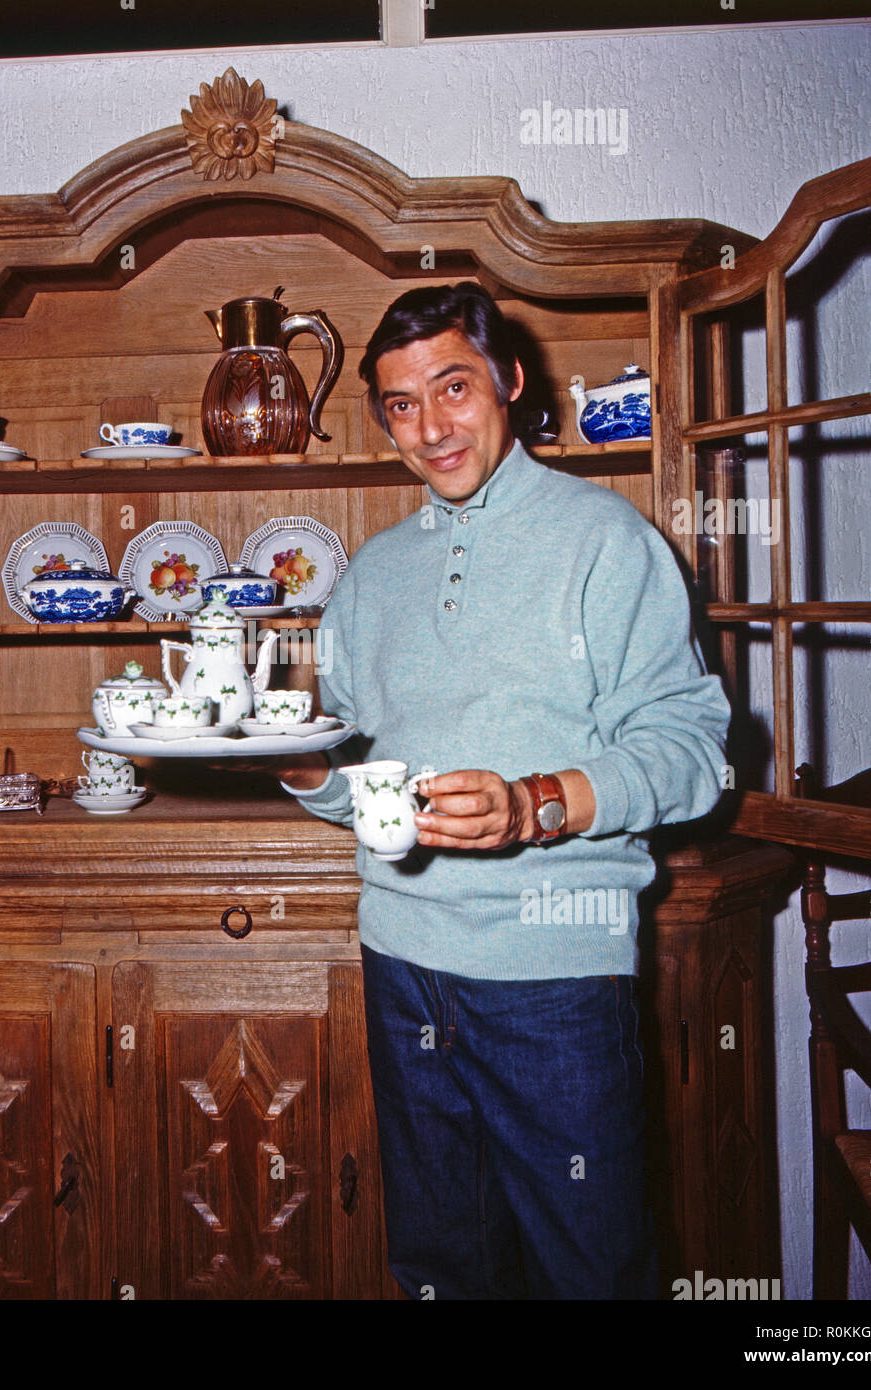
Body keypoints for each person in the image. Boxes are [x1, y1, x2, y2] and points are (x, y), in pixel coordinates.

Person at [265, 281, 730, 1299]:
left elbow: (695, 750)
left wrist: (535, 803)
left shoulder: (606, 541)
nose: (428, 427)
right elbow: (360, 783)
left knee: (591, 1270)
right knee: (443, 1268)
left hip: (555, 975)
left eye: (453, 387)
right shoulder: (370, 575)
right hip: (402, 965)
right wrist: (304, 767)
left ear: (509, 382)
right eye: (397, 404)